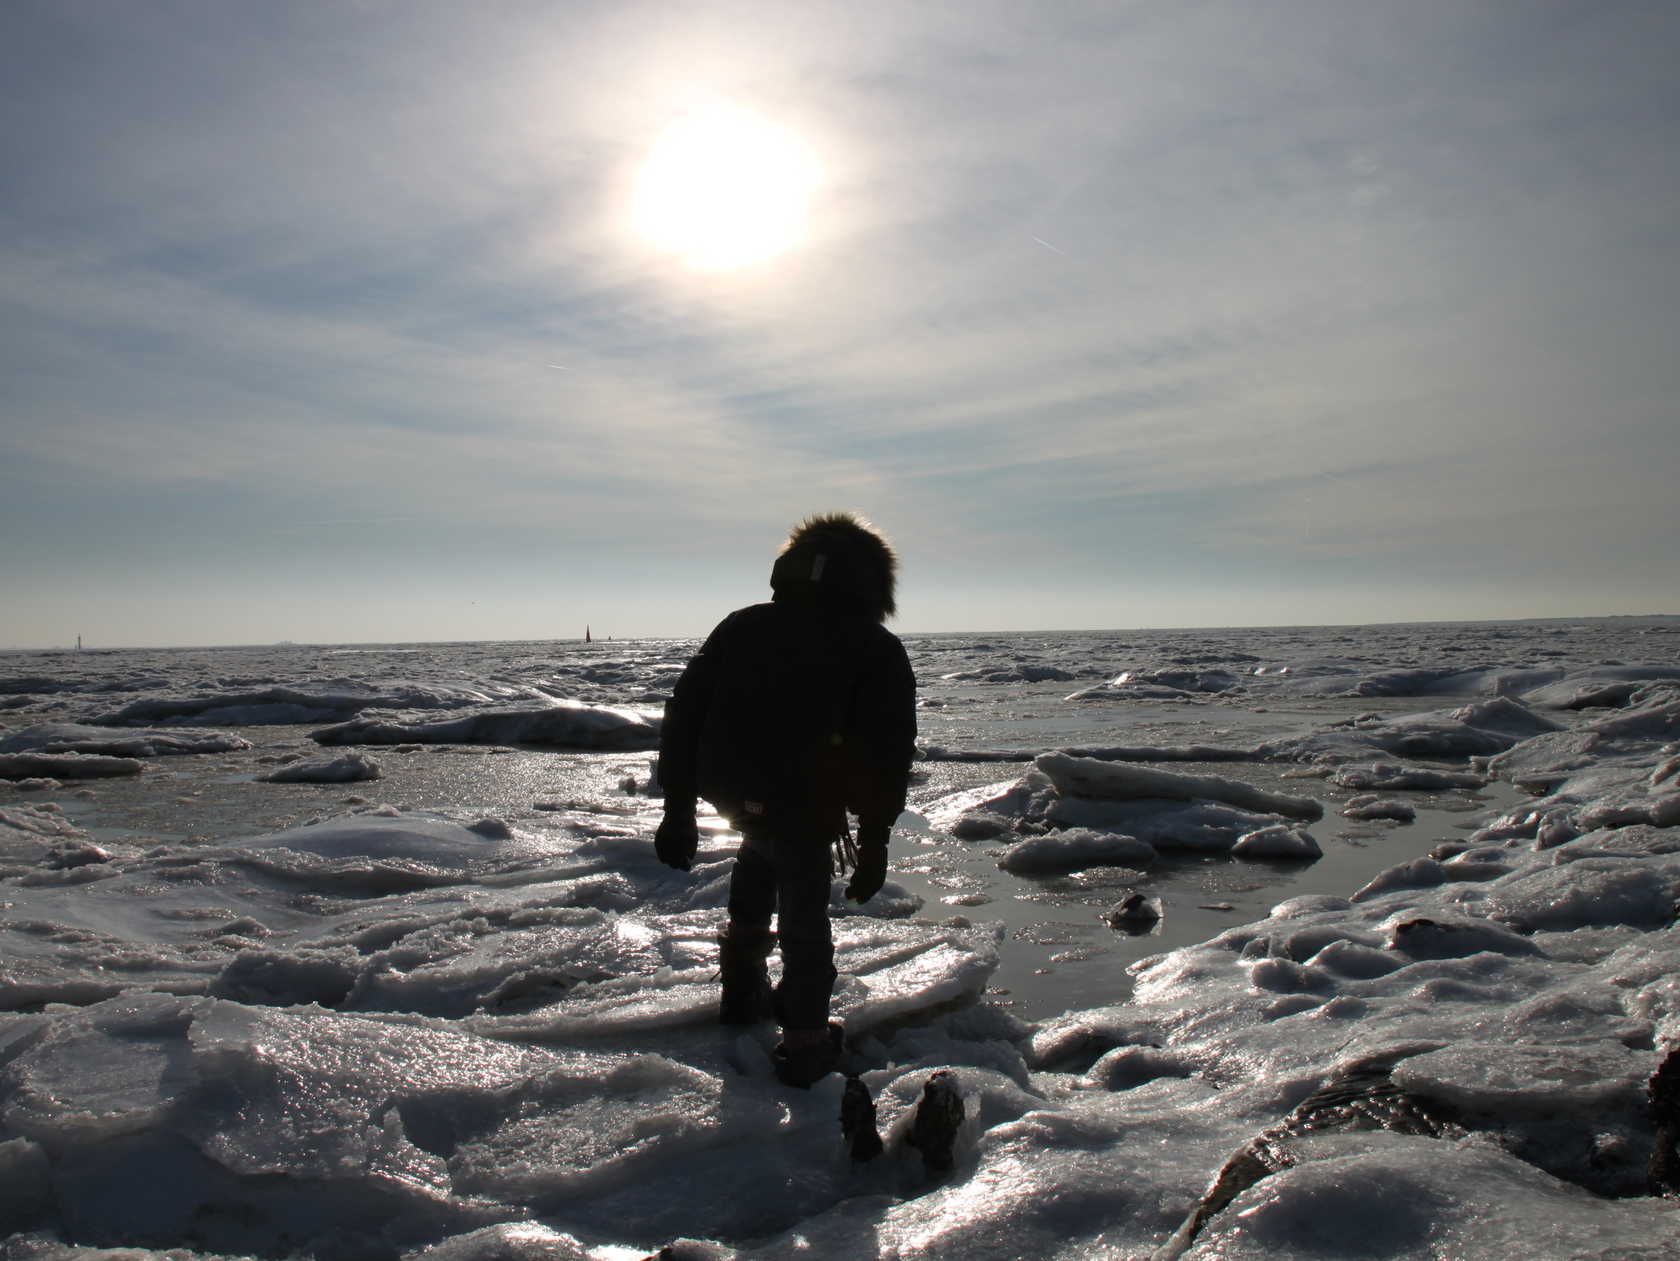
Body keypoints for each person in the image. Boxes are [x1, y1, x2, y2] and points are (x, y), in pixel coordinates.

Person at [653, 513, 917, 1087]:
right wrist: (873, 841)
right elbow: (886, 752)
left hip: (738, 797)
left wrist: (678, 809)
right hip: (806, 809)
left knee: (756, 861)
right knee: (804, 922)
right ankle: (804, 1045)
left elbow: (685, 717)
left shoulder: (742, 626)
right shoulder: (873, 646)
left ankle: (742, 994)